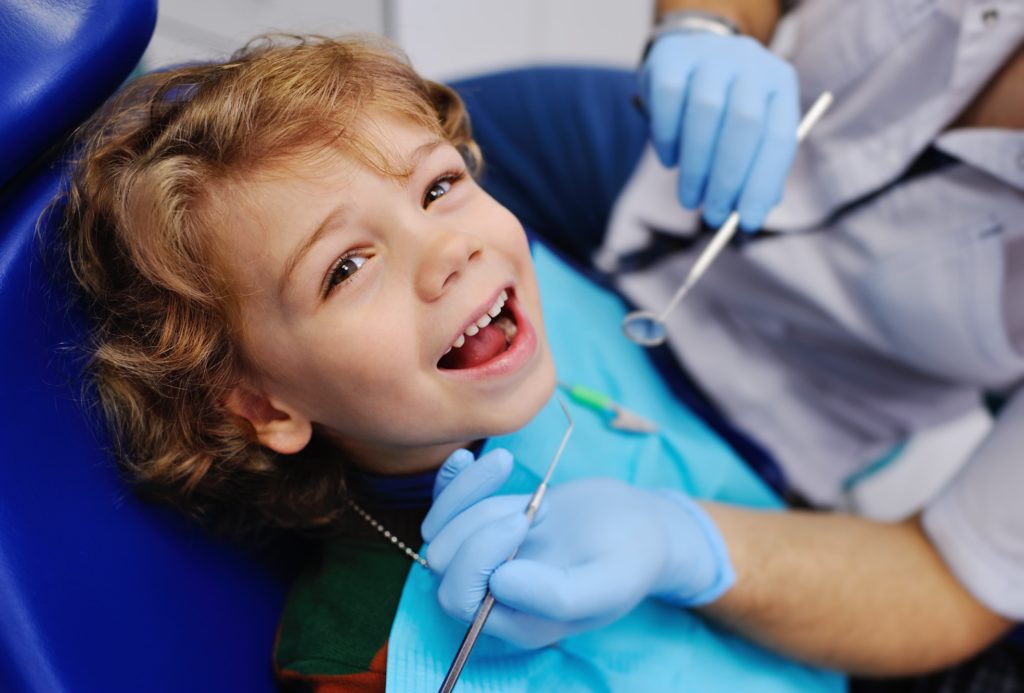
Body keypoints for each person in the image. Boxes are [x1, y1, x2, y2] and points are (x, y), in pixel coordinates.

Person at [58, 34, 847, 691]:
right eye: (345, 267)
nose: (449, 247)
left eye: (439, 186)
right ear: (266, 407)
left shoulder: (557, 299)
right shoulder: (358, 654)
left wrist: (685, 543)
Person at [428, 0, 1024, 690]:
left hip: (769, 408)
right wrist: (708, 24)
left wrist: (684, 543)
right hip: (645, 166)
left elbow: (954, 579)